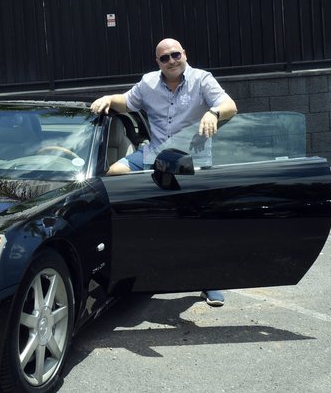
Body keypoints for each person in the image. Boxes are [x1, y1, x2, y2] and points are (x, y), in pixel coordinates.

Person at [90, 38, 237, 307]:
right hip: (155, 155)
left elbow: (230, 105)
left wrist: (214, 113)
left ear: (184, 54)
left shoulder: (202, 79)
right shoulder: (147, 83)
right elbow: (126, 102)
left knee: (198, 222)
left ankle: (210, 281)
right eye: (165, 58)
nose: (171, 61)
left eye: (175, 54)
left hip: (192, 159)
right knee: (108, 174)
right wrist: (108, 98)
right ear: (157, 62)